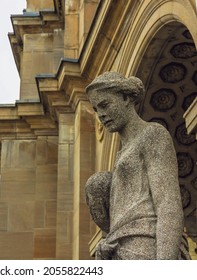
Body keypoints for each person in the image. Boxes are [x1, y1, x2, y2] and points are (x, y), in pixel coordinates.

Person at [85, 71, 188, 260]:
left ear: (125, 98)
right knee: (97, 183)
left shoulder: (152, 134)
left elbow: (168, 204)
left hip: (145, 244)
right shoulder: (120, 155)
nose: (101, 114)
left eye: (105, 105)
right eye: (96, 109)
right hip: (119, 249)